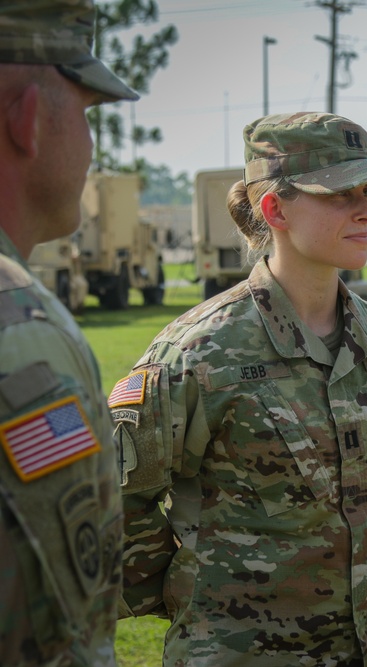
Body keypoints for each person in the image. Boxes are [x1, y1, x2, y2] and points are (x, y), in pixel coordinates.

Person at [110, 112, 367, 666]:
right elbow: (116, 499)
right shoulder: (200, 351)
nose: (366, 210)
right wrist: (193, 596)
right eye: (339, 193)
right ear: (274, 209)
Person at [0, 2, 139, 665]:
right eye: (85, 115)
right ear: (25, 119)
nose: (90, 145)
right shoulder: (22, 329)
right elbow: (54, 639)